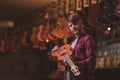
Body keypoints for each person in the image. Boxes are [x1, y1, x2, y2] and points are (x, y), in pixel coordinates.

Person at [51, 13, 97, 80]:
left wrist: (75, 63)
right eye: (70, 25)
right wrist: (57, 55)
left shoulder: (88, 39)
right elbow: (69, 63)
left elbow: (91, 61)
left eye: (75, 24)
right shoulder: (72, 42)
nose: (73, 27)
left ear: (80, 23)